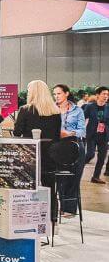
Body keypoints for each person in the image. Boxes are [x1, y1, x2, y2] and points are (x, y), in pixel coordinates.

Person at [13, 80, 63, 191]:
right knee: (49, 188)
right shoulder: (56, 111)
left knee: (29, 188)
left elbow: (17, 132)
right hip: (50, 155)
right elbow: (57, 135)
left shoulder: (25, 110)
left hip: (31, 154)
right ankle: (51, 208)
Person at [55, 84, 86, 217]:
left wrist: (68, 133)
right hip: (58, 147)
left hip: (75, 145)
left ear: (66, 93)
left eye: (59, 94)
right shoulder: (52, 109)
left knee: (74, 178)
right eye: (54, 94)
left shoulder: (77, 110)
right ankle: (61, 207)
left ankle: (70, 209)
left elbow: (82, 131)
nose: (56, 96)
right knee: (60, 179)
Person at [83, 86, 109, 183]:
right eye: (104, 94)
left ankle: (95, 177)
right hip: (92, 134)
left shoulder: (108, 107)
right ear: (98, 95)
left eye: (107, 94)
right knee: (90, 154)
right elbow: (83, 118)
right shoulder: (90, 106)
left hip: (104, 135)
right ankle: (78, 167)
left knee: (102, 157)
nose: (106, 96)